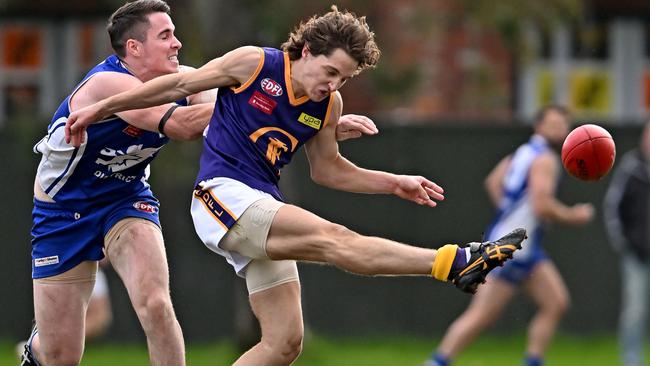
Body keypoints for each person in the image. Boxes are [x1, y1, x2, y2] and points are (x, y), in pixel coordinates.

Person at [65, 6, 526, 365]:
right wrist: (101, 109)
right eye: (330, 72)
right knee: (336, 240)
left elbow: (330, 170)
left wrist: (394, 183)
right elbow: (174, 87)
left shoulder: (328, 105)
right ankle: (456, 261)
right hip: (221, 196)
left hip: (260, 204)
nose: (333, 85)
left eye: (344, 79)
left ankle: (455, 264)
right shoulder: (252, 64)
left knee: (284, 342)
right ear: (306, 50)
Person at [18, 2, 375, 365]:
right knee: (60, 356)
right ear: (134, 48)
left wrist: (305, 126)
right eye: (165, 36)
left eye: (174, 33)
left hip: (125, 200)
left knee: (156, 304)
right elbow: (183, 125)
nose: (177, 43)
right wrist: (275, 111)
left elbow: (229, 127)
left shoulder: (188, 79)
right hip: (62, 211)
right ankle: (38, 348)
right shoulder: (107, 84)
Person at [426, 105, 595, 366]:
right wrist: (575, 215)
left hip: (520, 246)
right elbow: (542, 205)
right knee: (481, 316)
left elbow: (493, 181)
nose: (559, 129)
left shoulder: (523, 152)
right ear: (538, 126)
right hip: (511, 250)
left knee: (556, 302)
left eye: (563, 125)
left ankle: (533, 361)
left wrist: (509, 214)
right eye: (553, 124)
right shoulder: (546, 159)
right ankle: (437, 362)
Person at [603, 122, 650, 366]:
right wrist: (625, 243)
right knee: (635, 312)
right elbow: (613, 207)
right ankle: (632, 361)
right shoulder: (632, 169)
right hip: (638, 255)